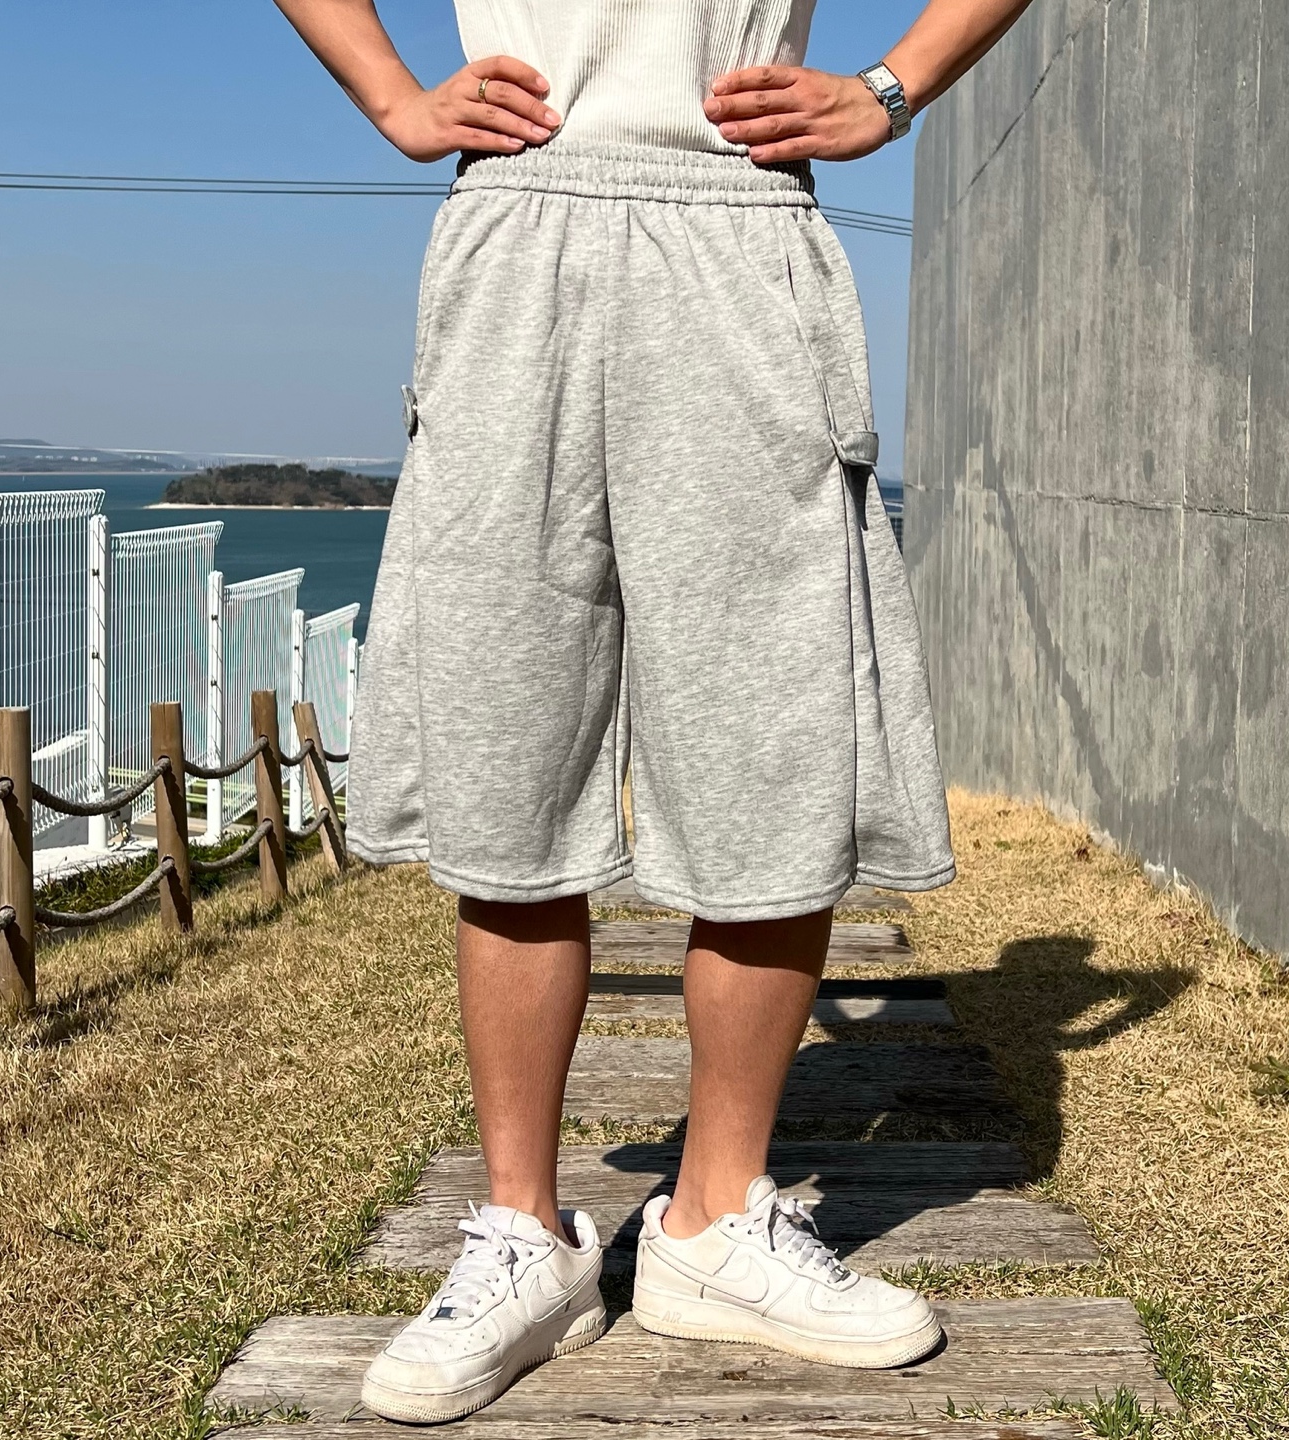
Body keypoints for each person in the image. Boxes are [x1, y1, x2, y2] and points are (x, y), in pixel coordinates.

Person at [276, 0, 1032, 1423]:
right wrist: (393, 96)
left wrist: (891, 87)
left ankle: (716, 1223)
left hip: (740, 224)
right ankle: (524, 1235)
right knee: (509, 732)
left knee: (768, 735)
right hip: (519, 220)